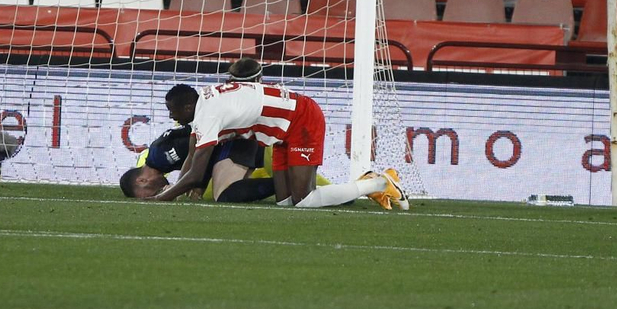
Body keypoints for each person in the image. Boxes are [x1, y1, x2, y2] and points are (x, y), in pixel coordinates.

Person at [146, 58, 405, 209]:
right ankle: (372, 182)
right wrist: (176, 190)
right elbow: (193, 156)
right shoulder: (204, 102)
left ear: (187, 107)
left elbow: (196, 174)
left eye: (172, 111)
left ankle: (379, 183)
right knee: (285, 203)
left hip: (301, 118)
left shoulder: (208, 114)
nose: (171, 117)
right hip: (280, 134)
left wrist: (162, 198)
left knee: (304, 201)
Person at [119, 83, 276, 202]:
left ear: (142, 181)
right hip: (246, 134)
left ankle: (282, 184)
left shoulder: (161, 156)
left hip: (238, 139)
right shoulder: (158, 155)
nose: (171, 117)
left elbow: (201, 153)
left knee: (223, 193)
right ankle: (280, 185)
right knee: (223, 192)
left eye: (148, 195)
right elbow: (194, 153)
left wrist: (189, 187)